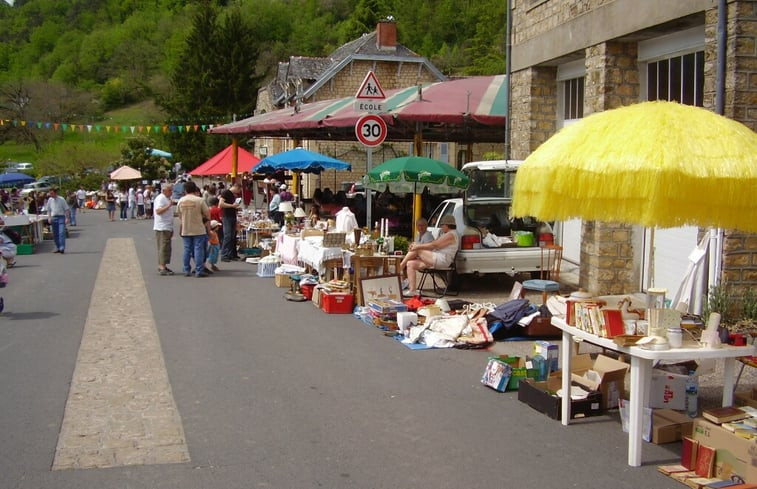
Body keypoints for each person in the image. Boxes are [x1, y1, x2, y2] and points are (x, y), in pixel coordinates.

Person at [399, 214, 458, 296]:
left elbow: (435, 245)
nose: (441, 227)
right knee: (410, 264)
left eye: (442, 225)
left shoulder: (451, 234)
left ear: (447, 225)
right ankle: (412, 290)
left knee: (418, 249)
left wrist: (418, 247)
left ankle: (401, 266)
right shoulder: (446, 234)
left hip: (442, 260)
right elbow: (436, 245)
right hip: (435, 257)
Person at [176, 180, 210, 277]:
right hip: (198, 228)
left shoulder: (181, 201)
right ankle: (199, 270)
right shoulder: (199, 200)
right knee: (198, 249)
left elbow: (180, 216)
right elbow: (207, 214)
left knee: (187, 249)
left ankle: (186, 269)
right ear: (195, 189)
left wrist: (181, 227)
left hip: (186, 228)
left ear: (185, 190)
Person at [153, 183, 175, 276]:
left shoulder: (166, 198)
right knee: (163, 247)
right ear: (164, 190)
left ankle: (164, 265)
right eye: (169, 190)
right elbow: (158, 211)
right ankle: (161, 266)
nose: (171, 192)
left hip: (167, 226)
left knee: (167, 247)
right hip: (162, 226)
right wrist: (169, 206)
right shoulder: (161, 198)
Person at [218, 183, 241, 262]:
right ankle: (224, 255)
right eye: (239, 190)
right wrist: (232, 206)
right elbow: (221, 204)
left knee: (232, 236)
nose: (239, 192)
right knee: (227, 236)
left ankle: (231, 254)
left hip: (232, 216)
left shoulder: (232, 195)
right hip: (227, 216)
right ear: (236, 187)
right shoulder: (225, 192)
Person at [46, 188, 70, 254]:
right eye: (50, 193)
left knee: (61, 233)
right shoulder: (50, 200)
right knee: (55, 234)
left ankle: (62, 247)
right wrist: (49, 217)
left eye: (52, 193)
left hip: (61, 217)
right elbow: (48, 210)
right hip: (54, 218)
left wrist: (67, 218)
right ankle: (58, 247)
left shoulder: (61, 199)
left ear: (55, 193)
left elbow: (66, 209)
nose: (51, 195)